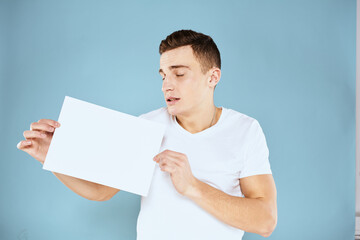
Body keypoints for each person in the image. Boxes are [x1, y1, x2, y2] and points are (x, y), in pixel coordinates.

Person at [17, 29, 277, 239]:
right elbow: (100, 191)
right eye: (163, 75)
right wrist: (52, 158)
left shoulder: (245, 130)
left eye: (179, 73)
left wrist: (193, 186)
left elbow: (265, 221)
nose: (167, 85)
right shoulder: (148, 126)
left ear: (213, 77)